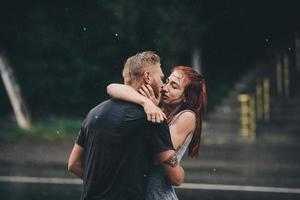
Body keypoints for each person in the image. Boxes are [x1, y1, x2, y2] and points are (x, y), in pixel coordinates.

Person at [68, 51, 185, 200]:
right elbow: (176, 178)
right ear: (147, 77)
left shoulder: (94, 113)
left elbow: (73, 164)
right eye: (161, 78)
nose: (163, 85)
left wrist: (101, 185)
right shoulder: (153, 118)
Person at [107, 66, 207, 200]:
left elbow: (158, 152)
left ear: (186, 98)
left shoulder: (187, 116)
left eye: (174, 86)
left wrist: (152, 106)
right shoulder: (156, 108)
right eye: (167, 81)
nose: (165, 88)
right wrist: (145, 102)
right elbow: (112, 88)